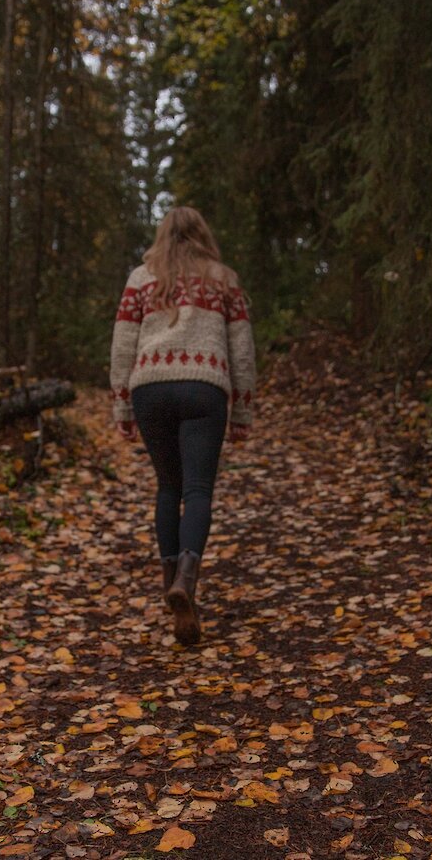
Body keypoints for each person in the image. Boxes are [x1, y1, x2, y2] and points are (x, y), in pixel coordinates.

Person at [109, 206, 256, 646]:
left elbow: (122, 343)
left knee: (168, 488)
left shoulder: (141, 278)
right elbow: (242, 348)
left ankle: (170, 576)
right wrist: (243, 409)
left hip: (150, 389)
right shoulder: (223, 277)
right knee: (197, 491)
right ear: (202, 234)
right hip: (203, 389)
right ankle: (186, 583)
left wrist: (122, 405)